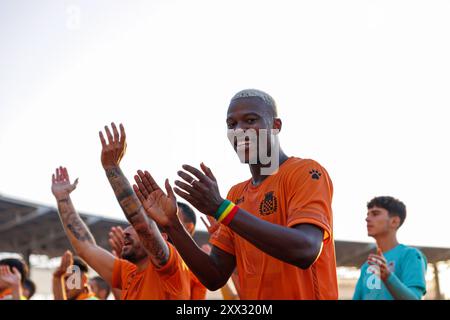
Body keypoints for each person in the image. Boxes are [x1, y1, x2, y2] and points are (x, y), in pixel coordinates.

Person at [133, 89, 338, 299]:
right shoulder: (236, 194)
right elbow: (214, 276)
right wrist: (172, 225)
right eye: (232, 124)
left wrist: (221, 209)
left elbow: (305, 250)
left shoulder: (305, 172)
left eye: (250, 120)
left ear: (276, 126)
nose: (239, 130)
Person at [50, 123, 191, 299]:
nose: (125, 231)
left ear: (163, 238)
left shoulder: (171, 267)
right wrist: (63, 199)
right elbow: (85, 248)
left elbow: (143, 226)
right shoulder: (128, 272)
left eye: (131, 227)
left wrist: (111, 167)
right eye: (128, 226)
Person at [108, 201, 206, 300]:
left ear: (189, 227)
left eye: (173, 216)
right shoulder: (141, 264)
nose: (162, 220)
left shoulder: (194, 267)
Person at [353, 196, 427, 300]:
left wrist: (388, 277)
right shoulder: (367, 266)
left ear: (394, 222)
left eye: (375, 214)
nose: (367, 219)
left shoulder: (411, 255)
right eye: (367, 214)